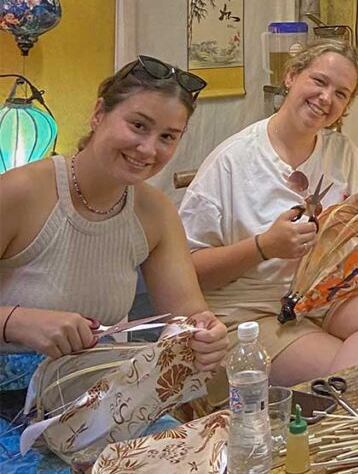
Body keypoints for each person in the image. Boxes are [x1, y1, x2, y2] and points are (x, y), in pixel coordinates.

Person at [179, 39, 358, 387]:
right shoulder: (233, 161)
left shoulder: (342, 152)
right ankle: (347, 406)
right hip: (252, 312)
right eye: (319, 81)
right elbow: (187, 272)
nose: (325, 98)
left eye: (340, 94)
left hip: (320, 298)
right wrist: (263, 247)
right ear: (291, 76)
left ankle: (346, 401)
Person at [0, 57, 229, 389]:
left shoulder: (155, 213)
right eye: (138, 125)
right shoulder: (20, 192)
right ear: (98, 113)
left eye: (167, 137)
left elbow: (188, 318)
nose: (148, 149)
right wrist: (18, 322)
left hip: (94, 392)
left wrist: (206, 336)